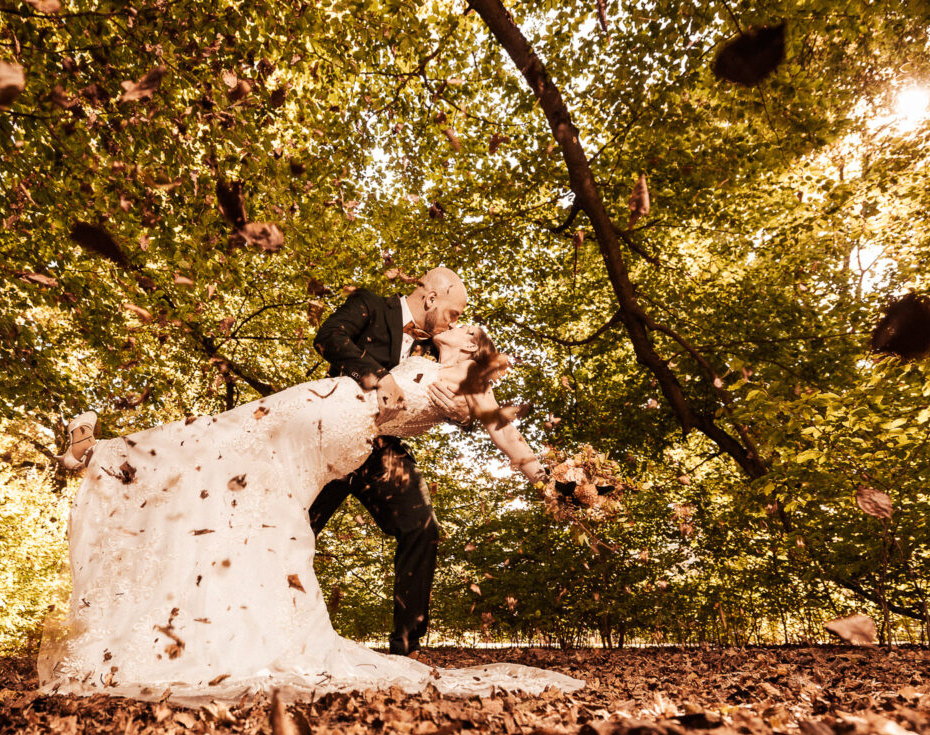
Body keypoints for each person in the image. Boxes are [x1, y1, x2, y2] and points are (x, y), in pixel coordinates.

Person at [37, 322, 578, 703]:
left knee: (221, 445)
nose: (457, 323)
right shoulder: (426, 361)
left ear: (475, 349)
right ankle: (107, 458)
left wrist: (545, 476)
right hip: (327, 411)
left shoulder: (465, 380)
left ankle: (108, 456)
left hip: (337, 416)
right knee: (228, 458)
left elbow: (503, 427)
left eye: (466, 326)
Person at [309, 267, 473, 656]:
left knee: (423, 528)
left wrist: (465, 416)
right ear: (432, 298)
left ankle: (406, 646)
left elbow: (463, 396)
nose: (456, 322)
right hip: (333, 437)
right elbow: (328, 337)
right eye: (454, 313)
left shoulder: (438, 346)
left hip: (381, 451)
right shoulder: (370, 304)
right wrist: (379, 377)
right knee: (295, 529)